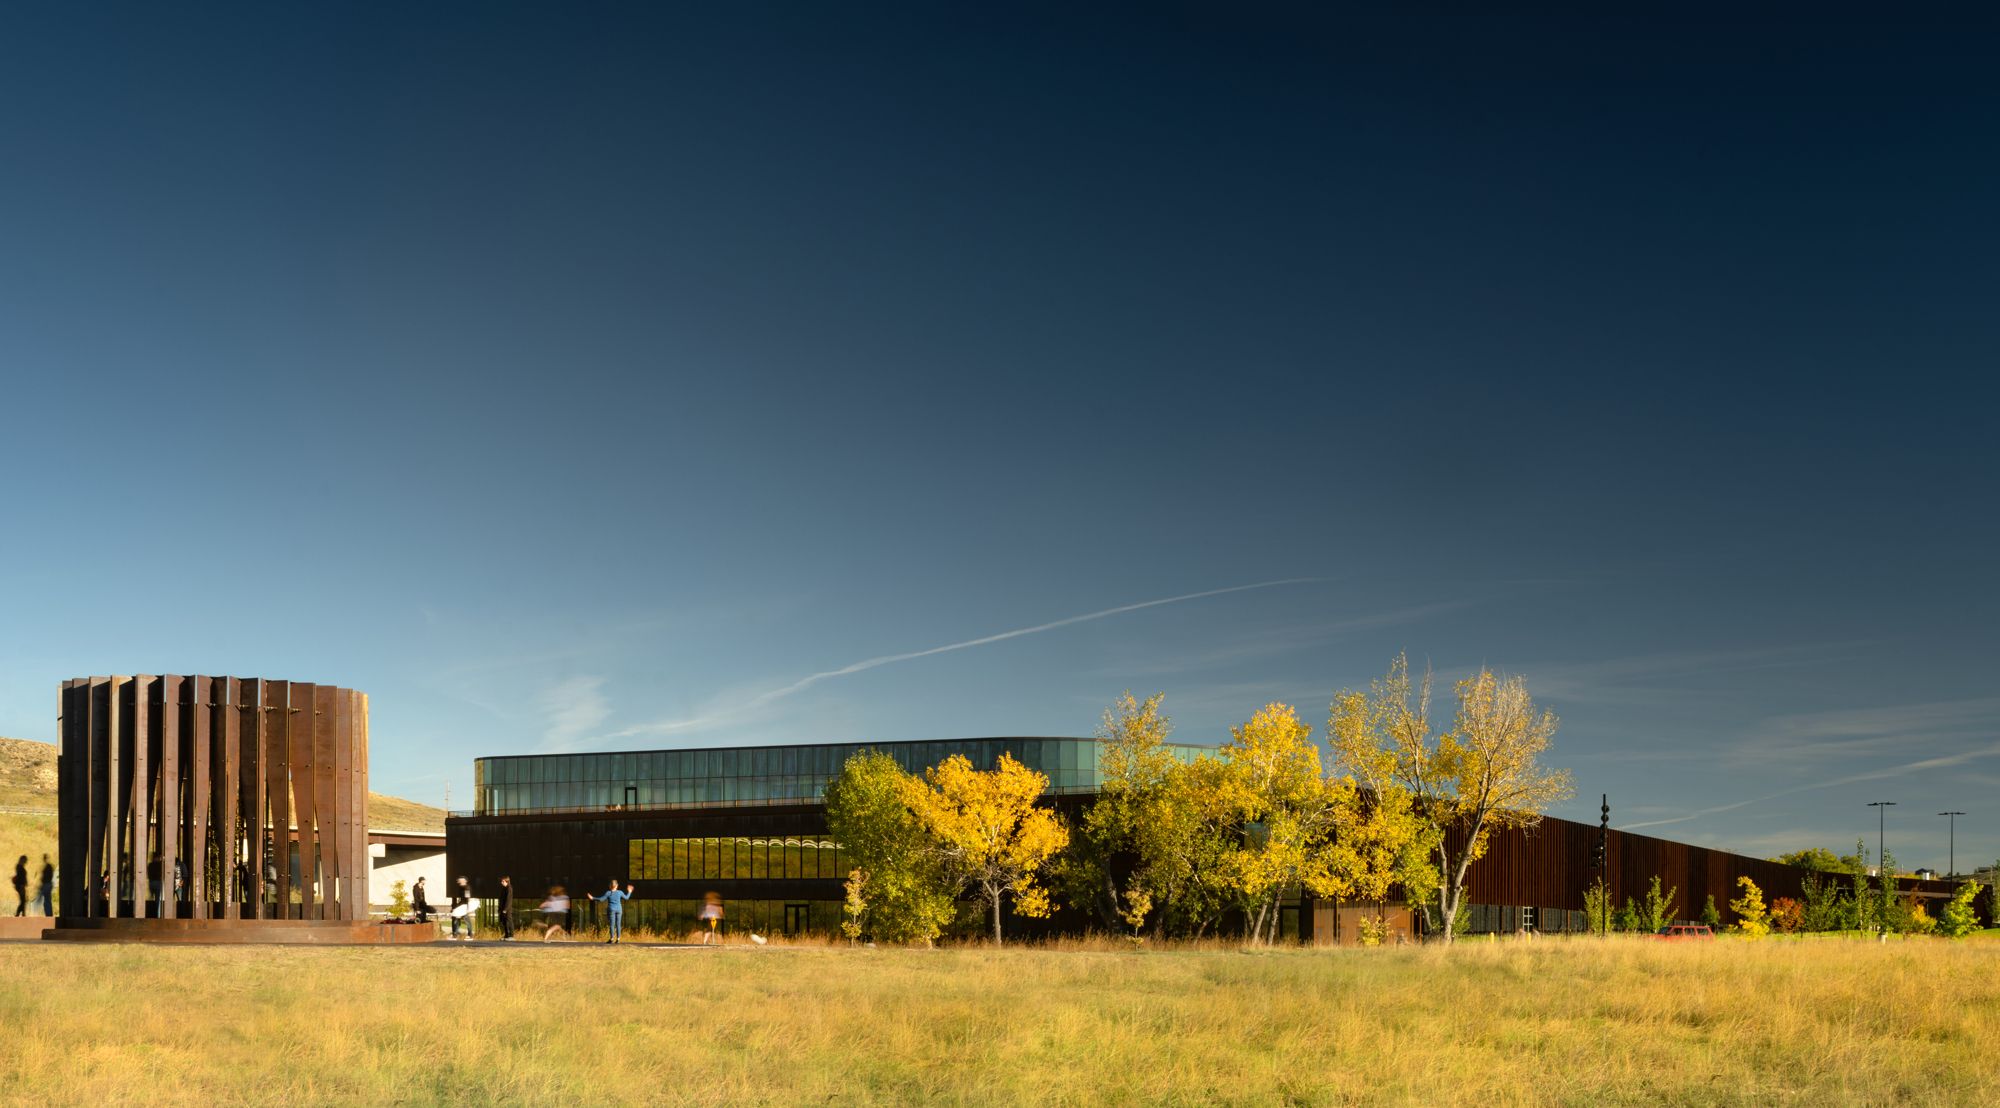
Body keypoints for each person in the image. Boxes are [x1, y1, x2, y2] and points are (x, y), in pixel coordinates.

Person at [588, 879, 634, 944]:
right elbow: (626, 898)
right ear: (617, 886)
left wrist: (593, 898)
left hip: (611, 909)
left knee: (612, 925)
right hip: (619, 909)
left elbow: (601, 899)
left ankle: (611, 939)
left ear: (610, 886)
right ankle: (618, 939)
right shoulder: (620, 892)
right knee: (618, 924)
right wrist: (629, 891)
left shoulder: (608, 893)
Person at [497, 875, 515, 940]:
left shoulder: (509, 888)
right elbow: (501, 899)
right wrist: (500, 908)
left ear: (507, 881)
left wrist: (505, 909)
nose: (501, 882)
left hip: (507, 909)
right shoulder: (504, 889)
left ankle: (511, 936)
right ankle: (507, 935)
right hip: (502, 908)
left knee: (509, 921)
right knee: (504, 922)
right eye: (501, 881)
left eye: (503, 881)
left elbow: (508, 900)